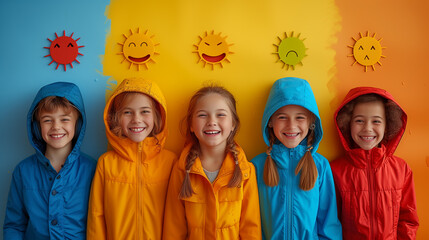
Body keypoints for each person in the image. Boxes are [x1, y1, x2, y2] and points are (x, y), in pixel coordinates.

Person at [163, 85, 261, 239]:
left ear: (233, 124)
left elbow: (251, 228)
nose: (211, 122)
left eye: (220, 115)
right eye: (202, 115)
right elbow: (173, 228)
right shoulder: (181, 169)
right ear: (191, 126)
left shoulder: (245, 170)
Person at [251, 77, 342, 239]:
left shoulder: (320, 165)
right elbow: (249, 221)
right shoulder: (256, 166)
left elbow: (329, 223)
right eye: (282, 117)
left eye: (300, 117)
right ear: (270, 121)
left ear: (311, 122)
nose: (291, 126)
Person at [3, 82, 96, 239]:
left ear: (78, 124)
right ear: (37, 126)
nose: (56, 127)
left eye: (65, 119)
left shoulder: (93, 169)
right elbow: (14, 225)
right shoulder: (23, 171)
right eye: (47, 120)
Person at [87, 78, 177, 239]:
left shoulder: (170, 162)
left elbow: (177, 217)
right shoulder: (106, 163)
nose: (136, 119)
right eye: (127, 112)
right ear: (115, 118)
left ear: (157, 116)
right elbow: (96, 215)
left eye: (145, 111)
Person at [330, 87, 419, 239]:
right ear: (347, 123)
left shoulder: (401, 169)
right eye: (359, 120)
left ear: (388, 125)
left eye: (376, 121)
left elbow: (408, 220)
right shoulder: (334, 170)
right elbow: (331, 223)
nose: (367, 128)